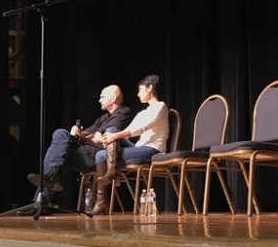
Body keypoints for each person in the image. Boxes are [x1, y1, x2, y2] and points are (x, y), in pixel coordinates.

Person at [21, 84, 132, 215]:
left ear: (113, 98)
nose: (99, 100)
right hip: (84, 153)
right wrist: (79, 132)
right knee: (61, 134)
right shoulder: (103, 118)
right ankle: (46, 188)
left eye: (102, 97)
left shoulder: (123, 113)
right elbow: (89, 133)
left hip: (97, 158)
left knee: (58, 150)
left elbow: (104, 139)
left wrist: (86, 137)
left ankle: (44, 192)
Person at [90, 74, 169, 215]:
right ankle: (103, 196)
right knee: (108, 139)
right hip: (139, 147)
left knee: (107, 145)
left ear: (150, 88)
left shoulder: (160, 107)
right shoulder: (143, 112)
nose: (138, 94)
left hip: (152, 150)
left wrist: (114, 136)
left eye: (140, 90)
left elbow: (139, 129)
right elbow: (126, 130)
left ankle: (108, 180)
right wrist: (105, 138)